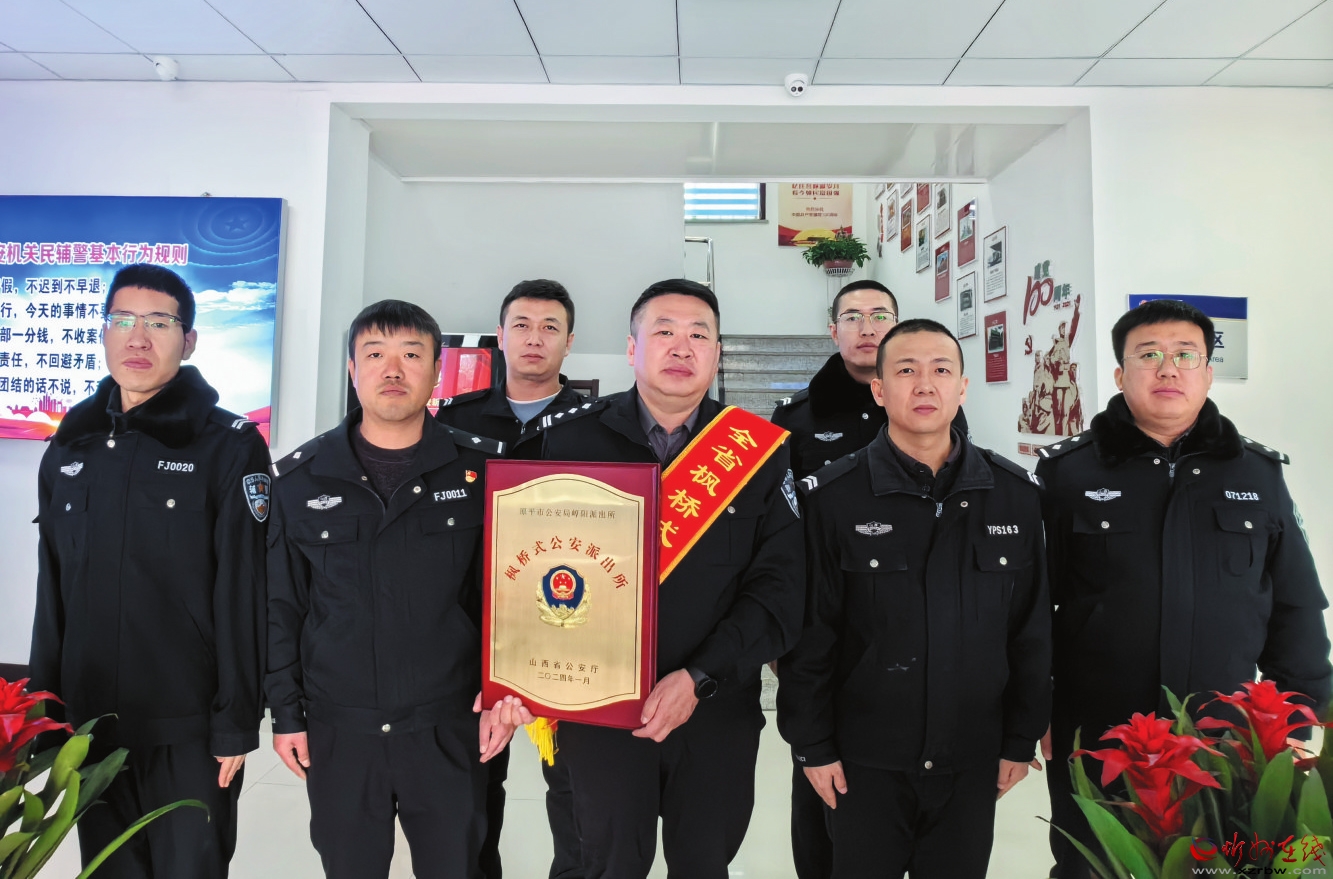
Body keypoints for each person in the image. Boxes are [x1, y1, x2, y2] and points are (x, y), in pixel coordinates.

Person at [507, 278, 805, 879]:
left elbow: (780, 590)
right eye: (664, 331)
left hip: (715, 709)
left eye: (699, 335)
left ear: (717, 353)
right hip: (597, 712)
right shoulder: (566, 441)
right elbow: (525, 572)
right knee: (604, 863)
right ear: (631, 347)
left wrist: (699, 677)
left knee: (704, 863)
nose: (681, 346)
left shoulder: (757, 451)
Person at [1036, 299, 1332, 878]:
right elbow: (1030, 606)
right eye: (1148, 355)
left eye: (1185, 355)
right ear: (1120, 374)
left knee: (1220, 865)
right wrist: (1032, 708)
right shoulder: (1068, 474)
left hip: (1224, 731)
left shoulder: (1257, 473)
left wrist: (1301, 718)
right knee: (1090, 864)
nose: (1168, 368)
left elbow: (1295, 603)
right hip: (1098, 729)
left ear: (1207, 373)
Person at [778, 319, 1051, 879]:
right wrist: (812, 744)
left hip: (971, 755)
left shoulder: (1014, 495)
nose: (925, 384)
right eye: (906, 370)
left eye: (941, 370)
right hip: (863, 759)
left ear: (962, 388)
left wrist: (1020, 737)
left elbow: (1030, 629)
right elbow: (812, 635)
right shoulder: (833, 498)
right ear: (879, 390)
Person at [29, 264, 270, 878]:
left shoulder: (228, 444)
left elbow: (244, 588)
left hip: (186, 726)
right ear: (103, 332)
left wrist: (235, 721)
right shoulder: (72, 443)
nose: (138, 338)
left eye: (159, 323)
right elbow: (53, 587)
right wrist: (45, 714)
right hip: (92, 724)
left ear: (188, 341)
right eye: (123, 321)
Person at [266, 300, 519, 879]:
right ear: (352, 369)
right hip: (340, 728)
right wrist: (285, 714)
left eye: (412, 355)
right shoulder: (300, 480)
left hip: (449, 724)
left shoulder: (481, 472)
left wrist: (504, 695)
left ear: (437, 371)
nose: (393, 370)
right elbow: (282, 607)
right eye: (375, 354)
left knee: (457, 866)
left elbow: (505, 600)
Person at [771, 279, 966, 879]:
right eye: (852, 316)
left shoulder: (935, 408)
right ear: (833, 330)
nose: (867, 326)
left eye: (880, 314)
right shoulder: (796, 417)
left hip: (916, 624)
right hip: (831, 628)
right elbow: (782, 529)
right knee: (824, 814)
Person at [435, 278, 588, 879]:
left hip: (567, 627)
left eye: (551, 327)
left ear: (569, 342)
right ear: (500, 336)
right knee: (472, 788)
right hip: (471, 631)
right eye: (522, 325)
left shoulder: (599, 423)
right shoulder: (454, 421)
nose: (534, 338)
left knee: (577, 789)